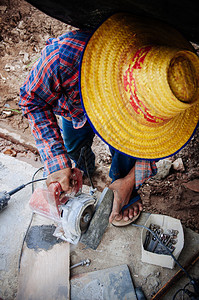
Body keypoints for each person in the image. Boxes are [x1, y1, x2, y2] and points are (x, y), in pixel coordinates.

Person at [19, 13, 199, 226]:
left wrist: (129, 180)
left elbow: (156, 149)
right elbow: (32, 100)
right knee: (75, 147)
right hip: (73, 111)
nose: (114, 127)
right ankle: (82, 169)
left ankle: (122, 190)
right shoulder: (63, 58)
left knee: (127, 156)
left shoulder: (182, 91)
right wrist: (57, 162)